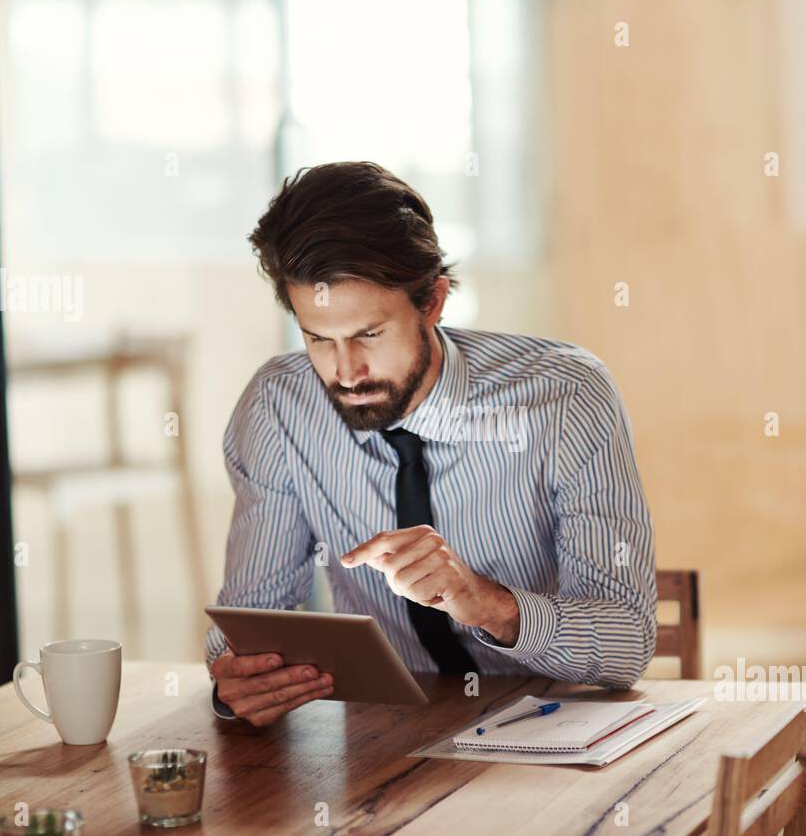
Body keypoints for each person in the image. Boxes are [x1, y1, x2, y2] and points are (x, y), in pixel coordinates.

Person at [207, 161, 656, 726]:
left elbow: (627, 646)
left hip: (554, 734)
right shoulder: (278, 407)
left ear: (433, 302)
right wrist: (238, 680)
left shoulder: (565, 396)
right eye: (318, 338)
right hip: (381, 744)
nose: (346, 372)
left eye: (370, 334)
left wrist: (493, 605)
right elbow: (249, 621)